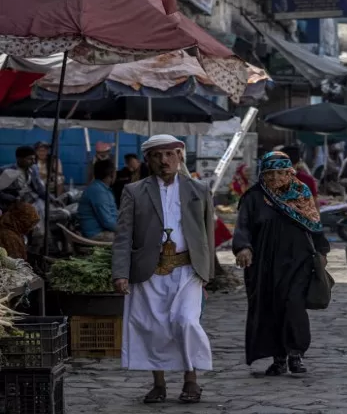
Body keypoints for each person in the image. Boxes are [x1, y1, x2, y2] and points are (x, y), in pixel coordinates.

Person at [112, 134, 214, 404]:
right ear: (148, 160)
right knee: (152, 327)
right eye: (157, 156)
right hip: (148, 270)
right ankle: (159, 384)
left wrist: (209, 272)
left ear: (180, 156)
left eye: (169, 154)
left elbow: (207, 233)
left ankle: (191, 380)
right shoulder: (134, 192)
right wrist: (120, 272)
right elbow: (123, 235)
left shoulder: (199, 190)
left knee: (186, 322)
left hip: (187, 269)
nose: (164, 161)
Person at [233, 151, 329, 376]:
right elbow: (243, 226)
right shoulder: (253, 197)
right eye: (270, 173)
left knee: (293, 306)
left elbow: (314, 225)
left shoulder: (301, 193)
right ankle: (278, 359)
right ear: (262, 174)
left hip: (298, 261)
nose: (276, 178)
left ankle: (295, 354)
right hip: (263, 264)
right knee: (270, 309)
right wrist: (244, 247)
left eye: (281, 172)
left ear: (290, 172)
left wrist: (322, 251)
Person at [77, 159, 119, 242]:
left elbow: (112, 214)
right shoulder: (98, 192)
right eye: (115, 172)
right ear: (111, 174)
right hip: (97, 234)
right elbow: (107, 222)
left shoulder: (102, 188)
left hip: (103, 230)